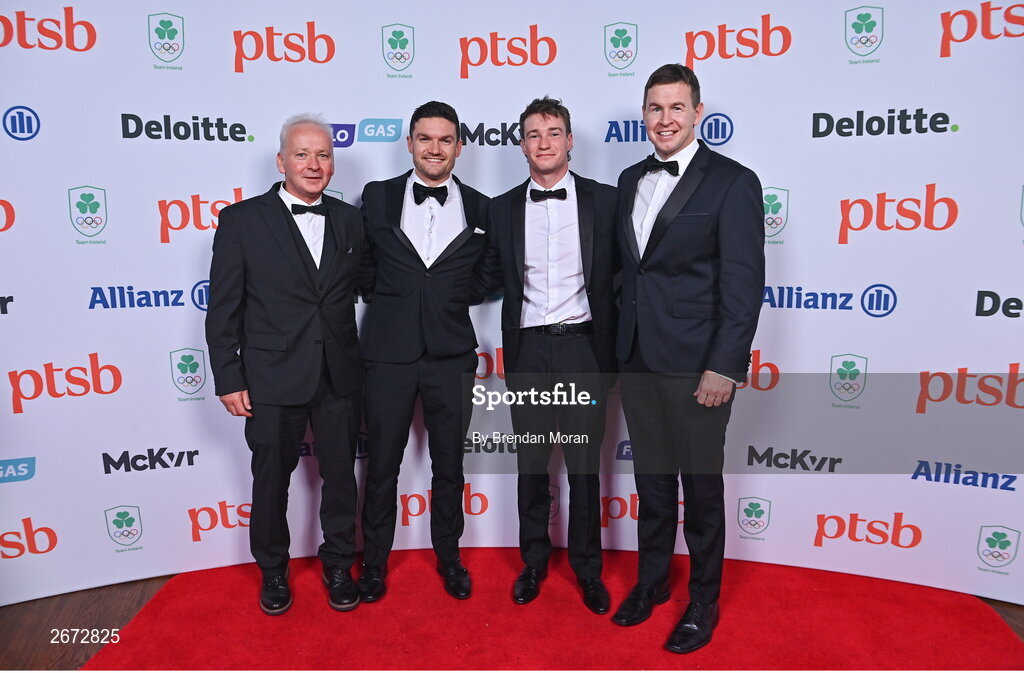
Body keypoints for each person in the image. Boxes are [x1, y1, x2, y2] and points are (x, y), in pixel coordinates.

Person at [612, 65, 765, 653]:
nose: (665, 119)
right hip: (637, 358)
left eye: (677, 107)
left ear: (698, 113)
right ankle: (651, 583)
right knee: (651, 480)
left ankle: (703, 599)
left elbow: (744, 286)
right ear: (644, 113)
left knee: (699, 488)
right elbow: (632, 271)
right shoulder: (629, 179)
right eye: (655, 108)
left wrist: (724, 366)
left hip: (699, 364)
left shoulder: (732, 182)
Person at [205, 113, 372, 615]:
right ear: (281, 161)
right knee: (271, 481)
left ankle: (339, 564)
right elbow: (223, 309)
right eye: (302, 154)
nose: (313, 164)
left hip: (339, 375)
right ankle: (273, 572)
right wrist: (229, 376)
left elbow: (360, 289)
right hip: (270, 377)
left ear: (333, 163)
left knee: (342, 479)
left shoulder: (350, 220)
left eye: (323, 154)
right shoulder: (241, 221)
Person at [470, 97, 618, 613]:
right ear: (521, 145)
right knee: (532, 464)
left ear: (570, 140)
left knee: (583, 467)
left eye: (554, 132)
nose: (544, 143)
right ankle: (533, 561)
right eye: (534, 134)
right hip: (529, 350)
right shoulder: (503, 207)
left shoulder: (606, 201)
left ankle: (588, 570)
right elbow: (485, 276)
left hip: (583, 349)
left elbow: (625, 279)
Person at [358, 101, 489, 602]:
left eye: (445, 139)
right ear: (410, 143)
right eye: (425, 138)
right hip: (387, 353)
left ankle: (449, 558)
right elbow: (363, 265)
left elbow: (490, 271)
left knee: (450, 464)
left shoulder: (482, 206)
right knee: (383, 464)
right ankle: (373, 564)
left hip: (451, 353)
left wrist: (449, 298)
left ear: (459, 146)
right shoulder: (377, 197)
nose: (435, 148)